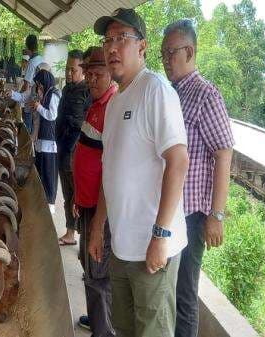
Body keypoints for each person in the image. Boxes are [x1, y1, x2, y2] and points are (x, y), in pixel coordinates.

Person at [88, 8, 189, 337]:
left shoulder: (156, 91)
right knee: (125, 329)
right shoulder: (116, 102)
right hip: (122, 246)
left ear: (142, 47)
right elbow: (110, 169)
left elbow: (178, 161)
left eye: (122, 39)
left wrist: (160, 236)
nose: (112, 47)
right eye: (108, 40)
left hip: (151, 250)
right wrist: (98, 226)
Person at [161, 19, 235, 337]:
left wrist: (216, 215)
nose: (165, 60)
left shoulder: (207, 96)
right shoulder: (170, 93)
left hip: (190, 216)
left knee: (184, 295)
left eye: (171, 53)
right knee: (165, 289)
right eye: (162, 54)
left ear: (189, 52)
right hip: (167, 211)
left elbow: (224, 152)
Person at [73, 46, 117, 337]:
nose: (90, 79)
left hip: (100, 211)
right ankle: (96, 319)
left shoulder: (112, 106)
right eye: (87, 73)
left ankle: (104, 331)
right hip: (86, 203)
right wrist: (78, 197)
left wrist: (98, 223)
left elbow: (109, 169)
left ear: (110, 73)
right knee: (88, 265)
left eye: (96, 73)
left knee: (98, 274)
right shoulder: (96, 103)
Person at [57, 49, 92, 245]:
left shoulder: (87, 91)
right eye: (67, 69)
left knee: (76, 198)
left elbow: (81, 125)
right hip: (62, 150)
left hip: (75, 152)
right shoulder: (66, 89)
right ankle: (70, 232)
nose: (69, 74)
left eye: (73, 70)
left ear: (82, 71)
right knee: (68, 195)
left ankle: (81, 236)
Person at [28, 69, 60, 207]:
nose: (39, 87)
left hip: (50, 141)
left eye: (40, 85)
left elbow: (52, 115)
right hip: (42, 139)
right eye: (38, 85)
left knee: (48, 174)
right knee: (41, 170)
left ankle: (50, 203)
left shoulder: (53, 95)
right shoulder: (45, 94)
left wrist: (39, 107)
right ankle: (42, 200)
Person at [21, 34, 44, 133]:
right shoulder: (41, 59)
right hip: (41, 99)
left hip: (31, 100)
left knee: (28, 128)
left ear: (27, 46)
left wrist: (18, 96)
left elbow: (26, 85)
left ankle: (28, 145)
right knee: (36, 126)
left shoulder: (31, 63)